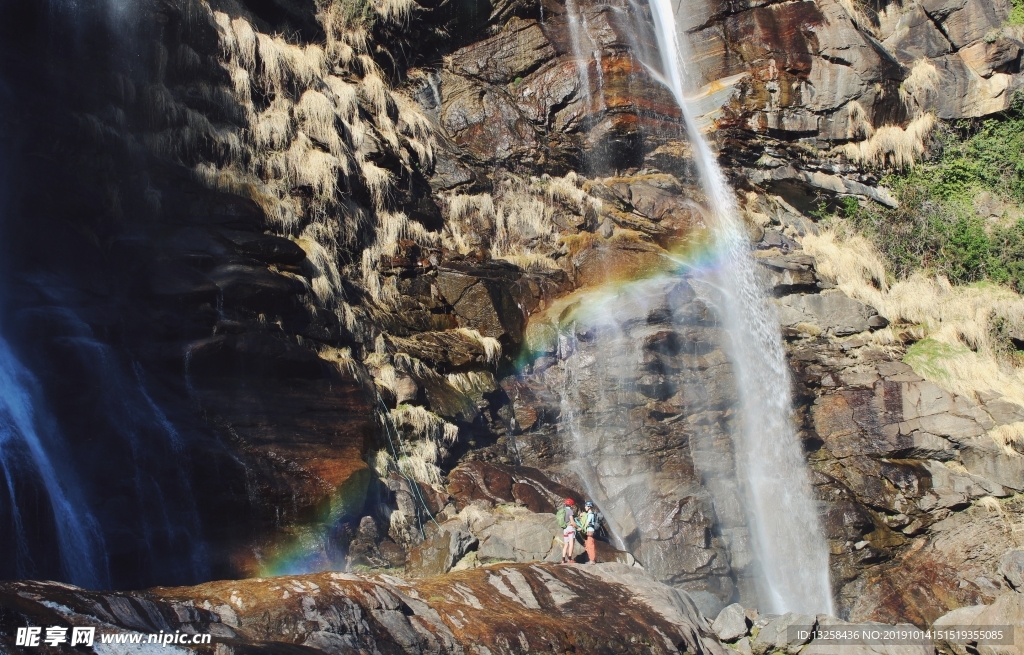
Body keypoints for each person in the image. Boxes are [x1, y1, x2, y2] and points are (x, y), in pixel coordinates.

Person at [559, 498, 577, 564]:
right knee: (571, 543)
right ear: (571, 505)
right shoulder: (570, 511)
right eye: (572, 504)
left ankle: (563, 560)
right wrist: (578, 527)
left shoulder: (563, 511)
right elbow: (572, 522)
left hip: (565, 529)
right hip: (570, 528)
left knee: (566, 544)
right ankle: (569, 559)